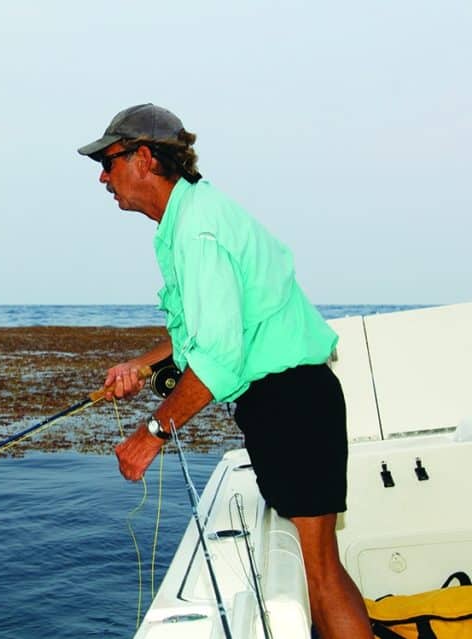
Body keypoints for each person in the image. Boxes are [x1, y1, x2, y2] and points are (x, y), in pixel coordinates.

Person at [77, 103, 373, 639]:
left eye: (109, 160)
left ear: (145, 158)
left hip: (292, 404)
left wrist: (150, 436)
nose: (102, 175)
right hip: (287, 404)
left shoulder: (197, 231)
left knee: (322, 574)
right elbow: (204, 331)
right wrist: (140, 366)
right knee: (320, 569)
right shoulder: (189, 220)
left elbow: (217, 358)